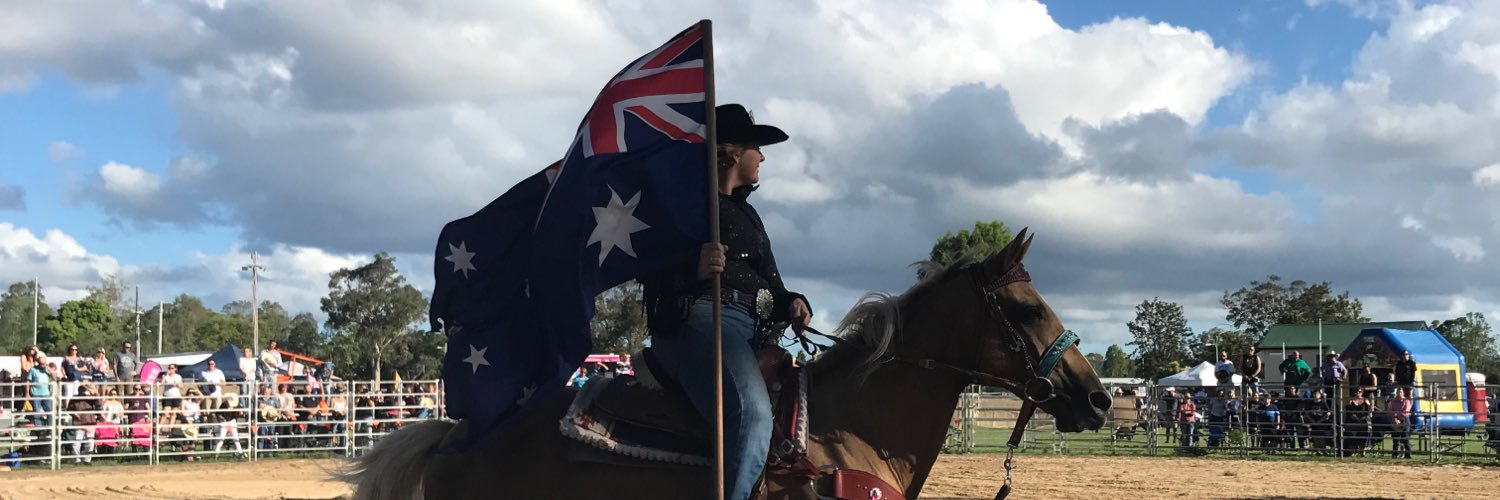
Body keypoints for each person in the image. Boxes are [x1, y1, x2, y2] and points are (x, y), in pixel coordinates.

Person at [640, 103, 812, 500]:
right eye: (757, 147)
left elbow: (772, 283)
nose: (763, 156)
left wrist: (792, 302)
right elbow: (651, 273)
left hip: (751, 332)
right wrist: (693, 271)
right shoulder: (689, 206)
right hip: (702, 322)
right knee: (752, 417)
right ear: (733, 153)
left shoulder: (749, 217)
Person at [1388, 386, 1414, 458]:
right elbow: (1390, 410)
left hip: (1404, 420)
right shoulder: (1393, 401)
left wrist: (1397, 416)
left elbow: (1406, 411)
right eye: (1398, 392)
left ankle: (1408, 454)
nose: (1399, 393)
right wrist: (1394, 418)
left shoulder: (1406, 401)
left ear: (1403, 393)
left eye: (1400, 392)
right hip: (1395, 420)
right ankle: (1395, 453)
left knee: (1405, 437)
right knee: (1395, 438)